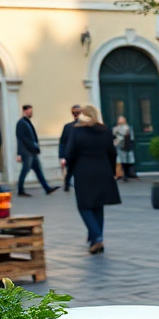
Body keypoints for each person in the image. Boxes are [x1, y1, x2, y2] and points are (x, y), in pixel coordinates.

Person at [63, 105, 120, 255]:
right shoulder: (105, 131)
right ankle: (96, 240)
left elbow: (70, 152)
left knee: (84, 206)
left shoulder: (77, 131)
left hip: (84, 171)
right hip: (103, 170)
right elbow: (112, 153)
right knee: (98, 205)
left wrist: (70, 167)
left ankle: (97, 236)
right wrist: (113, 171)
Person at [15, 105, 58, 196]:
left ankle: (47, 188)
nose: (31, 113)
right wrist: (19, 153)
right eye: (30, 111)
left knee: (38, 170)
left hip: (32, 151)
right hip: (27, 152)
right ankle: (20, 190)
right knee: (25, 170)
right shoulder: (21, 123)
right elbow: (21, 138)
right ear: (24, 111)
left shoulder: (27, 122)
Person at [58, 104, 82, 192]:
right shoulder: (68, 127)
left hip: (77, 153)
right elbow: (63, 142)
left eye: (78, 112)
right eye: (75, 113)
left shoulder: (83, 126)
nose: (77, 114)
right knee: (70, 171)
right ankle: (67, 185)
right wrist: (62, 156)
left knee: (73, 171)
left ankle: (69, 185)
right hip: (71, 153)